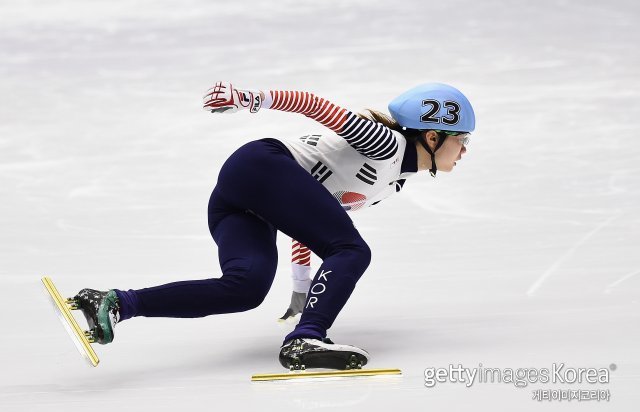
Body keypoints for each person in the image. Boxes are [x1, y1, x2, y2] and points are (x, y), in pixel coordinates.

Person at [72, 81, 475, 371]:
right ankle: (305, 339)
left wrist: (302, 290)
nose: (465, 150)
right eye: (462, 140)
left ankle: (116, 302)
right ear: (433, 135)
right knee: (353, 250)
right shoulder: (386, 145)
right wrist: (250, 98)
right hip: (263, 167)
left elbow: (310, 218)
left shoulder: (392, 182)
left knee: (244, 288)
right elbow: (317, 106)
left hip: (245, 195)